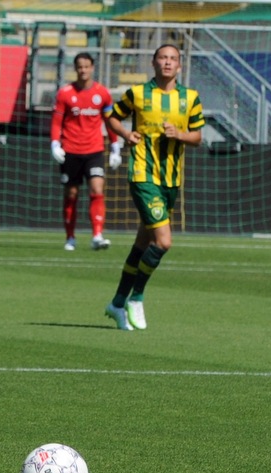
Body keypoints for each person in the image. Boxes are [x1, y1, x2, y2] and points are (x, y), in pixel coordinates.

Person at [104, 44, 204, 330]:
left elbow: (197, 136)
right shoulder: (138, 94)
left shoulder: (190, 98)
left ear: (180, 66)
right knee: (163, 242)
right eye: (163, 58)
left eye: (173, 59)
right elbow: (111, 116)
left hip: (171, 180)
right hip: (143, 175)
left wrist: (180, 134)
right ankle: (137, 296)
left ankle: (116, 303)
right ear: (154, 62)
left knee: (143, 243)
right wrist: (125, 133)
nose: (168, 63)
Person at [50, 52, 122, 252]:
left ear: (92, 68)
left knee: (97, 189)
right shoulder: (65, 93)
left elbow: (110, 122)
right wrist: (55, 144)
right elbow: (57, 122)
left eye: (86, 66)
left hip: (94, 151)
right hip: (71, 151)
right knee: (71, 194)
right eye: (79, 67)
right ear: (76, 69)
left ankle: (97, 235)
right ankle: (70, 237)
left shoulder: (103, 94)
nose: (83, 70)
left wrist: (116, 147)